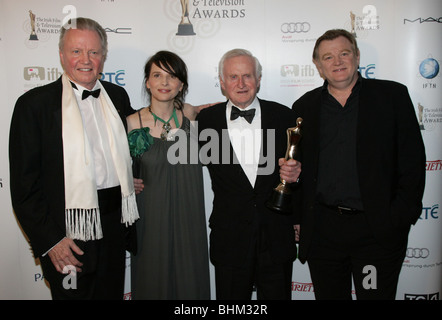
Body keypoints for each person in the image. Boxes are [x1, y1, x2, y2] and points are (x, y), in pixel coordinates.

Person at [9, 17, 139, 300]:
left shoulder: (117, 96)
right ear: (61, 55)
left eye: (94, 52)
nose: (86, 59)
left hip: (114, 226)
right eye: (76, 51)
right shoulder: (34, 105)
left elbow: (139, 139)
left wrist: (186, 112)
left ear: (103, 57)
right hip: (66, 233)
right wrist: (52, 241)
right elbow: (24, 187)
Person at [291, 29, 426, 299]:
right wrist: (298, 218)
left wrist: (397, 218)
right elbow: (298, 170)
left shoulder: (392, 97)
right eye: (328, 57)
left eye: (344, 53)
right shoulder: (304, 107)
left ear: (357, 56)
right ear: (318, 66)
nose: (337, 62)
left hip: (375, 233)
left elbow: (413, 163)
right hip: (323, 234)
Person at [196, 48, 301, 300]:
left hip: (276, 235)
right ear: (222, 83)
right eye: (233, 77)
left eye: (247, 76)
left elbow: (303, 171)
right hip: (230, 238)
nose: (241, 84)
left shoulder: (284, 116)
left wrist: (298, 174)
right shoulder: (205, 120)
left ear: (259, 80)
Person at [127, 51, 210, 299]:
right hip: (150, 217)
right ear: (147, 82)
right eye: (157, 75)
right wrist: (125, 182)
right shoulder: (131, 122)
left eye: (172, 76)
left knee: (190, 282)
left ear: (181, 84)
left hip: (189, 216)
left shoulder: (192, 115)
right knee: (152, 280)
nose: (164, 83)